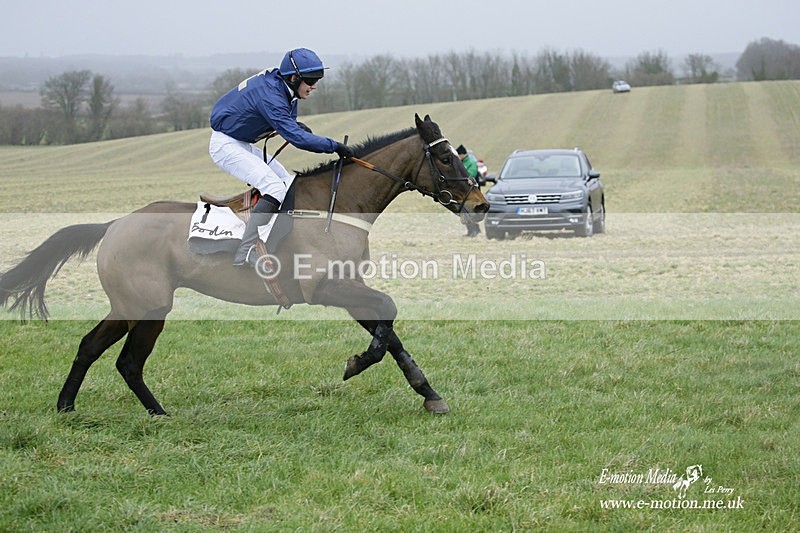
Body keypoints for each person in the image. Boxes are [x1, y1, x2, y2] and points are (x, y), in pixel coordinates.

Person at [209, 47, 354, 268]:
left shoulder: (285, 88)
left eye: (318, 79)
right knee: (274, 188)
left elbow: (287, 123)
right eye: (311, 80)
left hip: (239, 141)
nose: (314, 86)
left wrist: (295, 126)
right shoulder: (272, 95)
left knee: (286, 183)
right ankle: (245, 251)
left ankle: (275, 238)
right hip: (225, 145)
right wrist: (334, 146)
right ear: (294, 77)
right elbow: (297, 139)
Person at [456, 144, 481, 237]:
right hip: (463, 192)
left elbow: (472, 175)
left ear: (463, 154)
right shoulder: (461, 162)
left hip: (472, 192)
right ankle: (470, 231)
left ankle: (475, 230)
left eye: (459, 155)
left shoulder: (471, 162)